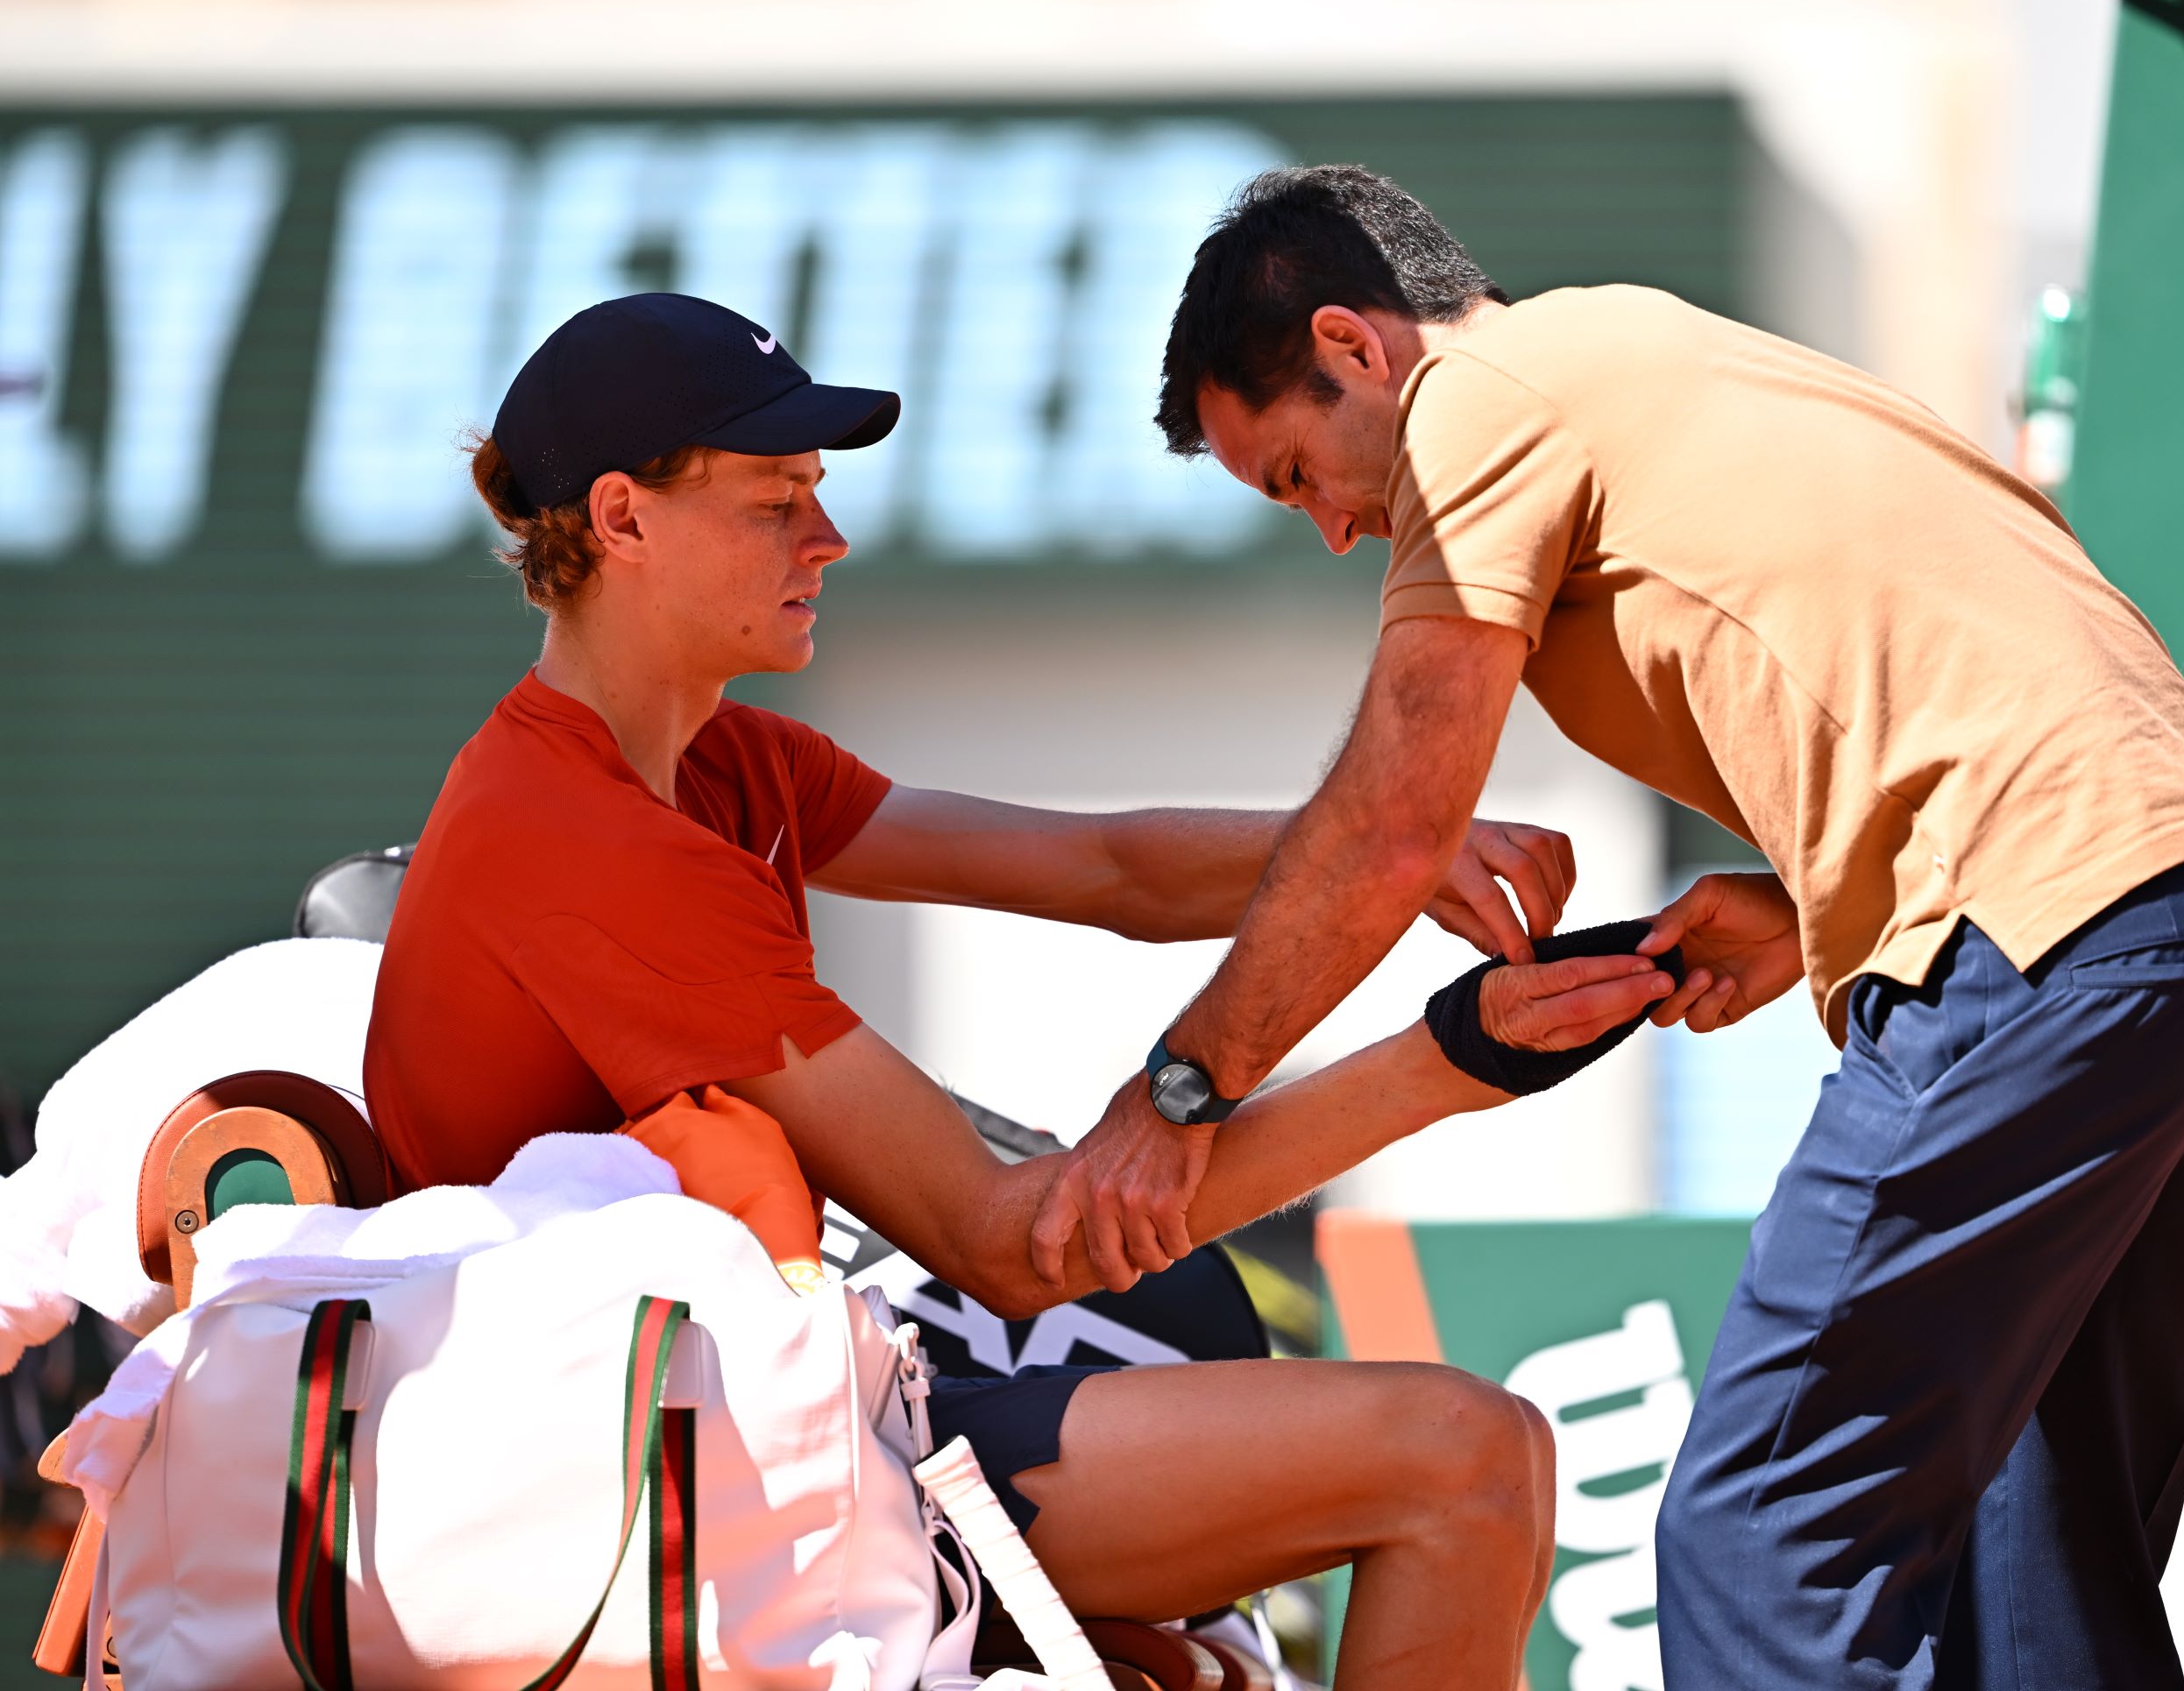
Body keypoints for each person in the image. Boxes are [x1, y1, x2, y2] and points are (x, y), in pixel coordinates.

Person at [1032, 166, 2184, 1688]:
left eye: (1297, 475)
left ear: (1357, 344)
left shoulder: (1484, 397)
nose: (1331, 531)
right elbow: (1999, 666)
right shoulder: (1684, 357)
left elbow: (1393, 823)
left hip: (2036, 955)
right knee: (2036, 1555)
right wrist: (1812, 902)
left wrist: (1181, 1091)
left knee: (1763, 1535)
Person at [363, 293, 1680, 1689]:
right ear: (621, 519)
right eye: (775, 503)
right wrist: (1450, 1062)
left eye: (818, 494)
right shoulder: (587, 838)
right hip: (641, 1504)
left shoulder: (716, 763)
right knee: (1465, 1457)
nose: (830, 537)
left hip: (755, 1443)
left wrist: (1394, 851)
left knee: (1444, 1476)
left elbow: (1101, 867)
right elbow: (1012, 1246)